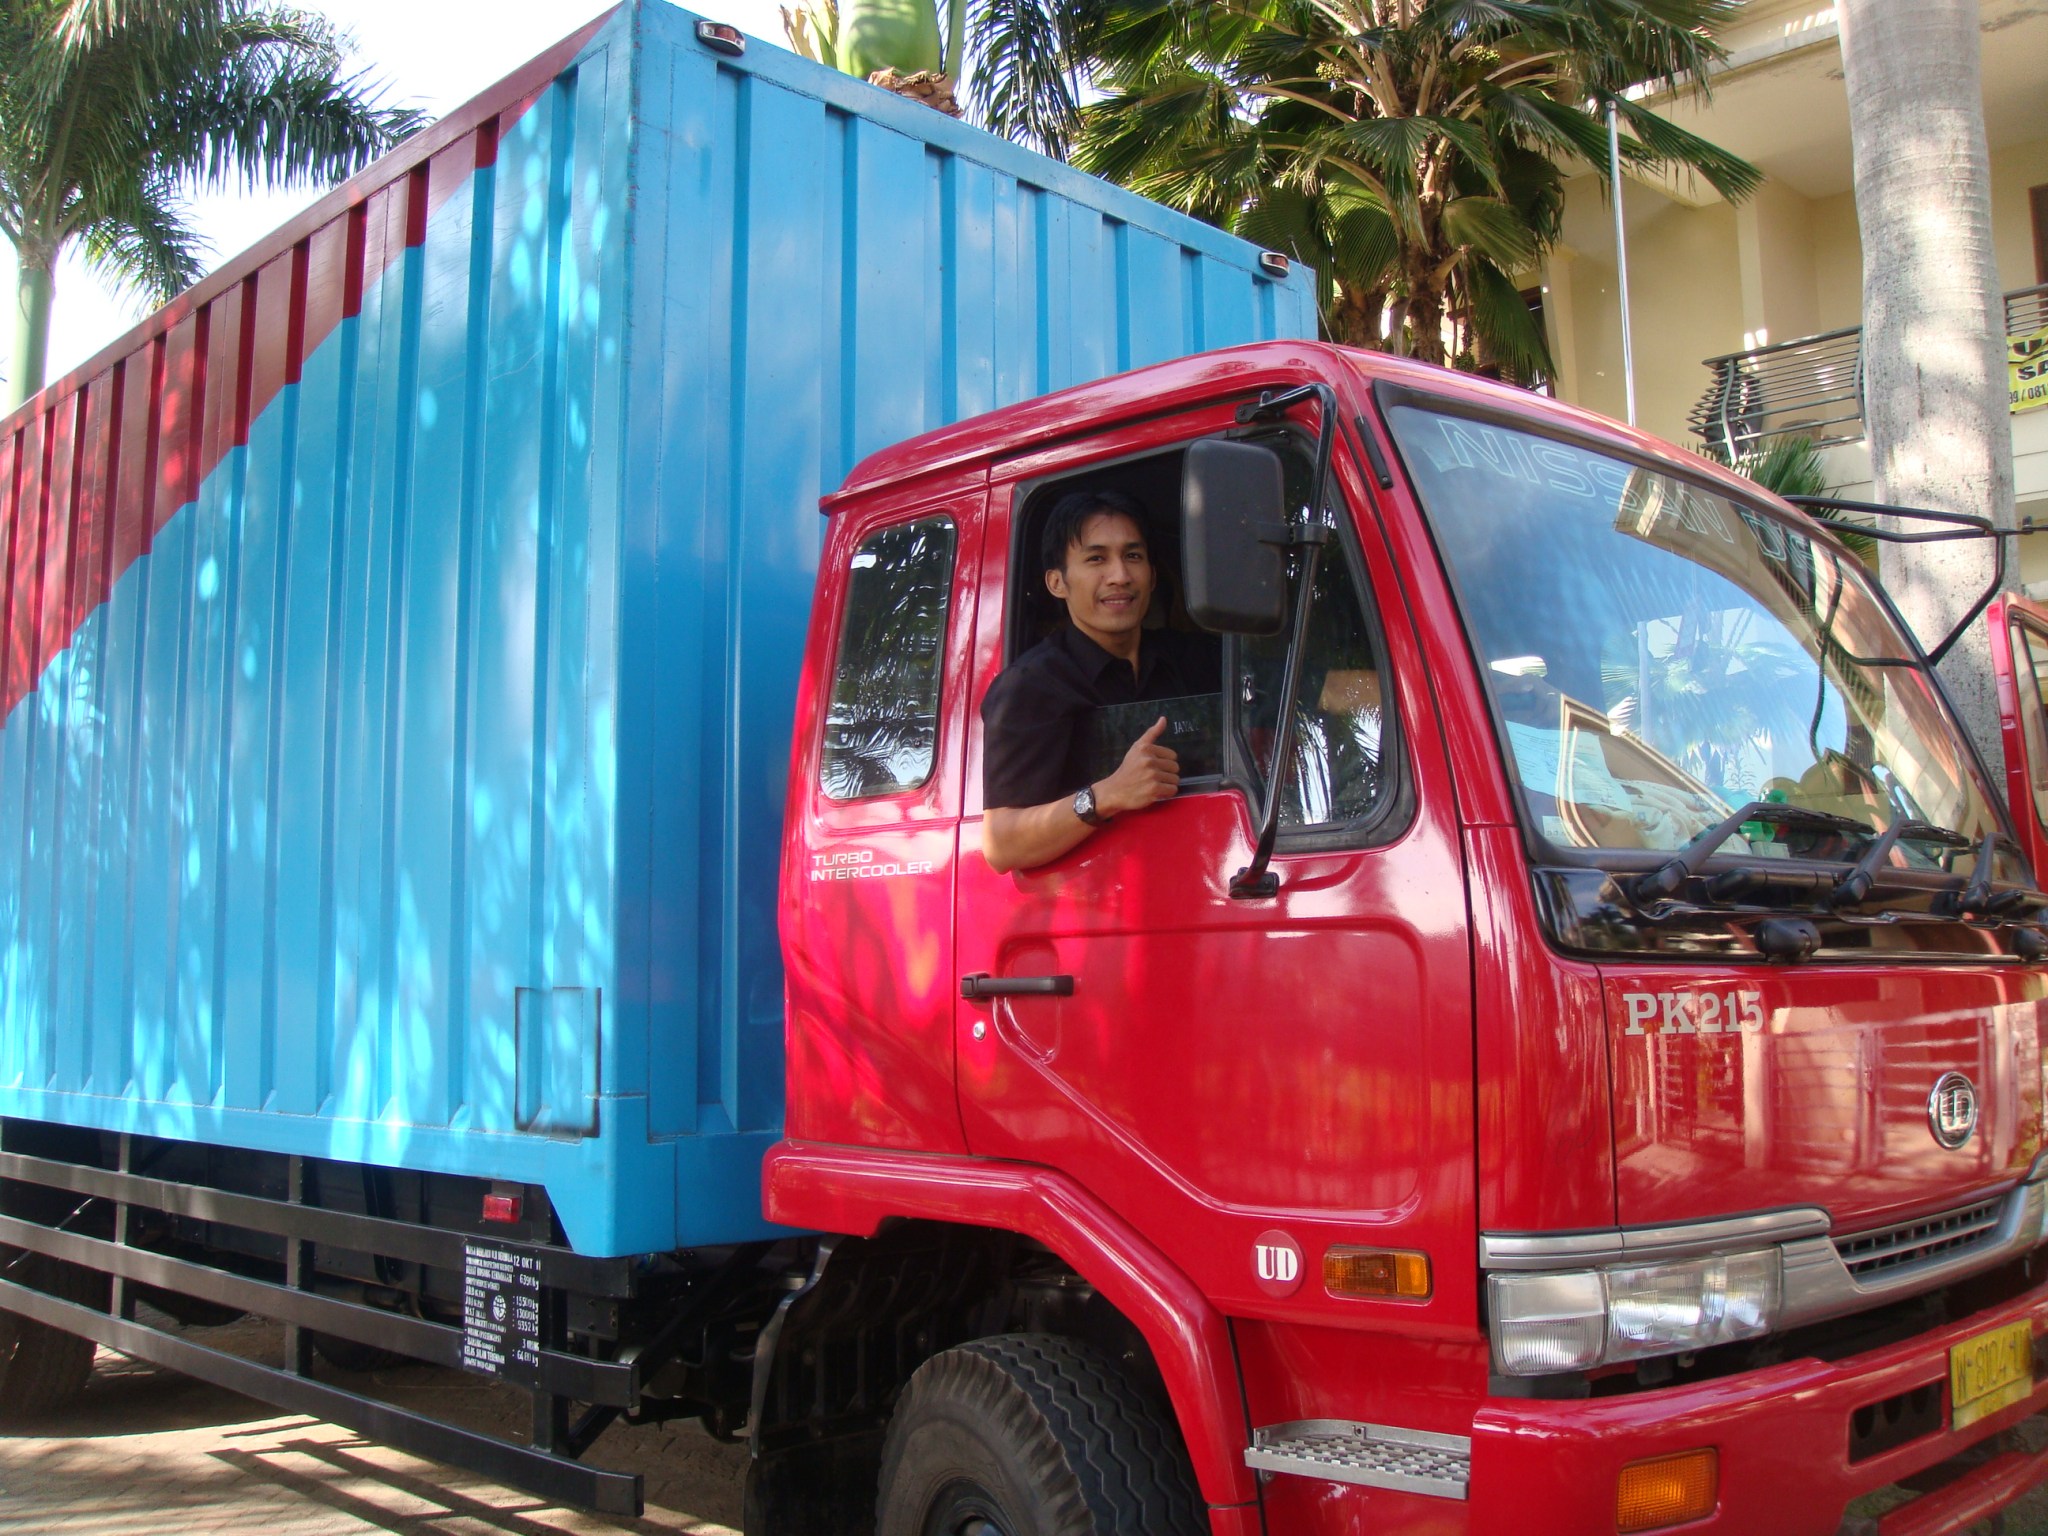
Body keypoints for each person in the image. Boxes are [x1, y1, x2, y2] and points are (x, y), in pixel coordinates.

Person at [980, 489, 1220, 873]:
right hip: (1100, 910)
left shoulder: (1198, 659)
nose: (1120, 576)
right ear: (1057, 582)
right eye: (1096, 559)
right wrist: (1107, 794)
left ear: (1153, 575)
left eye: (1133, 556)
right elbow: (1002, 844)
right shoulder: (1030, 686)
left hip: (1210, 874)